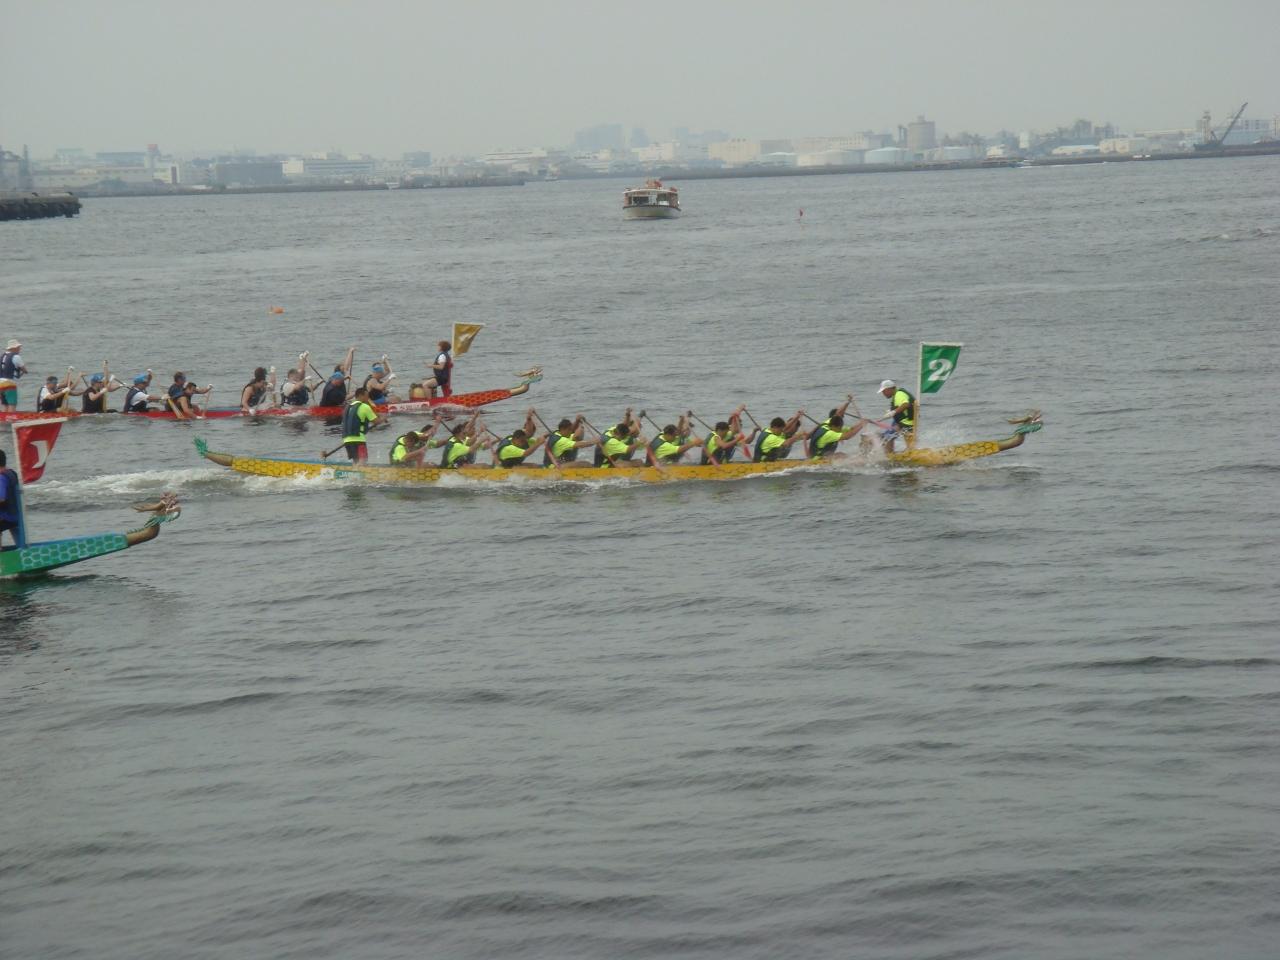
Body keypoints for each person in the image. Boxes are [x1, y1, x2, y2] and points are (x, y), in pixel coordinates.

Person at [340, 386, 383, 463]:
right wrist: (383, 418)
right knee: (363, 460)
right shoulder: (365, 407)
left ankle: (354, 470)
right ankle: (359, 471)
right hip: (358, 439)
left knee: (356, 461)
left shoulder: (347, 407)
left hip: (346, 439)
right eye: (367, 396)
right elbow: (376, 422)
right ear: (360, 395)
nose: (368, 398)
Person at [877, 379, 916, 452]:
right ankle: (891, 453)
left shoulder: (899, 394)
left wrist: (893, 412)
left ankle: (890, 454)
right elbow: (900, 406)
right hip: (901, 421)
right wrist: (891, 412)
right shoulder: (897, 394)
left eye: (884, 391)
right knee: (888, 435)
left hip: (907, 423)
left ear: (890, 389)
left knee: (888, 437)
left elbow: (906, 404)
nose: (883, 393)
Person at [0, 449, 21, 548]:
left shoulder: (1, 478)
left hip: (8, 517)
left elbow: (1, 498)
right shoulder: (11, 473)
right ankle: (20, 547)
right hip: (16, 515)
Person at [0, 339, 28, 412]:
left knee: (5, 404)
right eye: (18, 347)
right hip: (9, 383)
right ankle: (10, 419)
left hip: (0, 383)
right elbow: (24, 370)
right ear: (13, 348)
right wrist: (24, 371)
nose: (19, 349)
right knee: (12, 404)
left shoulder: (2, 356)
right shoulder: (16, 356)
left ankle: (3, 419)